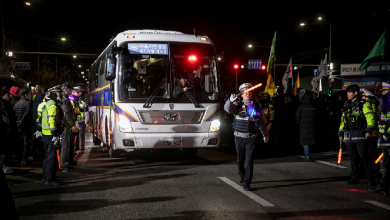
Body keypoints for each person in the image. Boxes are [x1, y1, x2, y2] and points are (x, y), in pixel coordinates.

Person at [224, 83, 269, 191]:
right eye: (245, 92)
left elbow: (261, 122)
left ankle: (247, 183)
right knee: (240, 160)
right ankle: (242, 175)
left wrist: (265, 135)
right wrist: (230, 101)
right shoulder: (236, 105)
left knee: (249, 160)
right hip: (239, 137)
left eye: (250, 92)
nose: (248, 93)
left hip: (252, 137)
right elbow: (227, 109)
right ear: (242, 94)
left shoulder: (257, 106)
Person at [339, 84, 375, 185]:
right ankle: (354, 177)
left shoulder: (364, 104)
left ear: (355, 93)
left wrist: (369, 130)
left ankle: (370, 178)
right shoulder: (346, 104)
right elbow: (343, 120)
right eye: (347, 92)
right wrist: (340, 132)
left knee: (364, 157)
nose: (348, 94)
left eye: (350, 92)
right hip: (349, 135)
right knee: (353, 158)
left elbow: (370, 117)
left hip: (360, 135)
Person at [370, 83, 390, 198]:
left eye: (384, 91)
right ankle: (383, 185)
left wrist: (387, 134)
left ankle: (383, 185)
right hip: (385, 139)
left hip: (388, 138)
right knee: (386, 163)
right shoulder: (385, 104)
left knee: (387, 164)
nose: (382, 93)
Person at [40, 86, 62, 185]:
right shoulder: (53, 105)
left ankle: (45, 177)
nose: (59, 95)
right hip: (50, 134)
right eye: (58, 93)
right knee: (51, 158)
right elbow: (51, 121)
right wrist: (54, 135)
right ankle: (50, 179)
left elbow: (40, 119)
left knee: (47, 157)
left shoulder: (47, 104)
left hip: (45, 133)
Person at [361, 88, 381, 177]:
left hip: (370, 133)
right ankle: (375, 171)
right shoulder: (375, 105)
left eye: (364, 97)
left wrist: (368, 131)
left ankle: (372, 172)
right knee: (374, 154)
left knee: (369, 155)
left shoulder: (368, 105)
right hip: (375, 132)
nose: (362, 98)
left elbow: (370, 119)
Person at [14, 88, 34, 166]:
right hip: (26, 126)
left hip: (18, 127)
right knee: (27, 144)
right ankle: (24, 160)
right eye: (30, 94)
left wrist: (18, 125)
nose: (31, 96)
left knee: (21, 143)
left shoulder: (16, 103)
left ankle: (20, 159)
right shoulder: (28, 103)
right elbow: (27, 115)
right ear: (26, 95)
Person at [59, 83, 77, 172]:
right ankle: (63, 165)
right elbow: (67, 114)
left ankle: (64, 163)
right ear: (65, 89)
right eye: (70, 89)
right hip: (66, 126)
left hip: (66, 125)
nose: (71, 91)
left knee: (66, 146)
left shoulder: (65, 99)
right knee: (65, 146)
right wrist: (72, 124)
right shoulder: (65, 100)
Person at [296, 92, 318, 161]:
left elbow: (297, 117)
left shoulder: (301, 107)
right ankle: (309, 154)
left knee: (305, 141)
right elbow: (317, 116)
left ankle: (307, 155)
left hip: (303, 126)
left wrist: (299, 123)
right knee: (311, 140)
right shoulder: (314, 107)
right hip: (312, 125)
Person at [1, 88, 16, 174]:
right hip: (3, 129)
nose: (9, 96)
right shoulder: (4, 104)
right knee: (2, 149)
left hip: (6, 129)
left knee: (5, 148)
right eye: (7, 95)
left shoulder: (7, 104)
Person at [70, 87, 89, 153]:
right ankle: (76, 147)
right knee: (75, 134)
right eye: (76, 92)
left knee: (82, 134)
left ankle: (82, 146)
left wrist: (86, 120)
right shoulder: (72, 102)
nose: (78, 93)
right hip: (75, 121)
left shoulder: (82, 103)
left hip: (81, 121)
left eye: (78, 92)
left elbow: (86, 112)